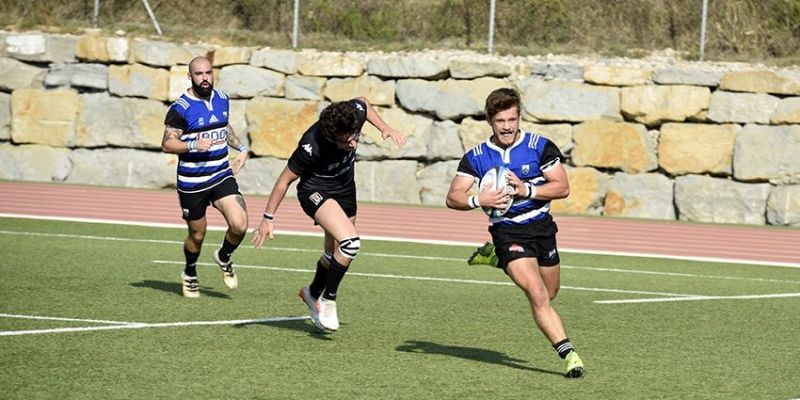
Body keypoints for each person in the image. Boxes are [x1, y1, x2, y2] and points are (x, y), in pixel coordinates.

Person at [445, 88, 585, 378]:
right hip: (507, 231)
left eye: (512, 119)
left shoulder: (539, 147)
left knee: (549, 293)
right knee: (537, 295)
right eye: (500, 121)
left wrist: (526, 189)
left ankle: (497, 259)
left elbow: (562, 187)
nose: (507, 126)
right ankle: (569, 355)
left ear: (519, 117)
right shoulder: (477, 157)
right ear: (490, 122)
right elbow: (453, 196)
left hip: (542, 228)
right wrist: (478, 199)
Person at [251, 97, 405, 332]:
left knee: (334, 254)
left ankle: (312, 293)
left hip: (345, 188)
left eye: (354, 136)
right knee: (351, 244)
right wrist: (267, 218)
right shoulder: (311, 145)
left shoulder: (353, 114)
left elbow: (363, 103)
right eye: (346, 141)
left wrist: (385, 127)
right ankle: (328, 300)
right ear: (331, 137)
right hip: (315, 191)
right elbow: (284, 181)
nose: (353, 143)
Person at [161, 56, 250, 298]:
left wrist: (241, 148)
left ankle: (224, 256)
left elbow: (224, 126)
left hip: (221, 174)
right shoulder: (180, 108)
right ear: (190, 77)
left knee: (240, 224)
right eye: (199, 74)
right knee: (198, 235)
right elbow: (167, 144)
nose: (204, 78)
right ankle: (189, 272)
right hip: (193, 183)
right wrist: (192, 145)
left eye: (208, 73)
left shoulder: (222, 98)